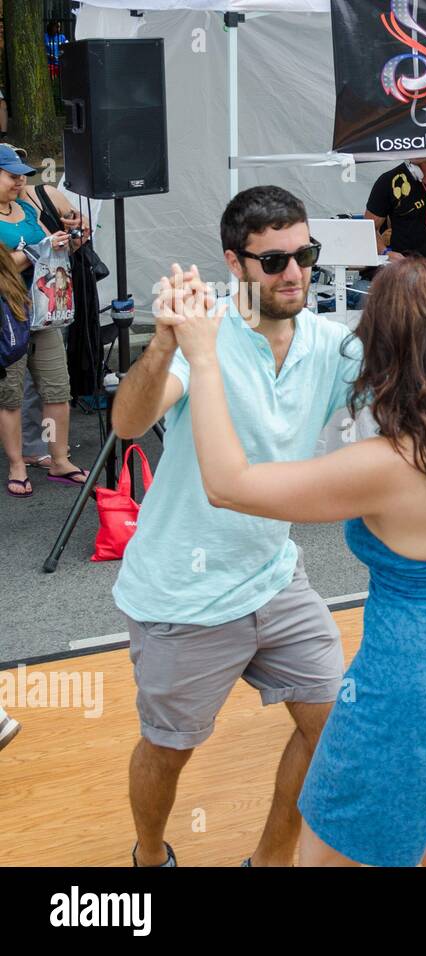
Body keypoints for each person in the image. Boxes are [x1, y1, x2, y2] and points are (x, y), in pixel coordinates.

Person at [159, 249, 426, 867]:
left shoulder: (386, 466)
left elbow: (228, 484)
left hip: (410, 689)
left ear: (382, 347)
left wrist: (201, 355)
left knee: (324, 858)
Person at [111, 186, 357, 868]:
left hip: (275, 578)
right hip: (183, 595)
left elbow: (410, 385)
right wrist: (163, 345)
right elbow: (129, 422)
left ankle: (271, 860)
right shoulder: (204, 336)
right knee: (170, 747)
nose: (295, 272)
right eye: (274, 260)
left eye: (304, 254)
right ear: (235, 262)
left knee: (332, 727)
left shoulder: (329, 342)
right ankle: (151, 854)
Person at [0, 144, 89, 499]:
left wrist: (72, 239)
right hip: (8, 316)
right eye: (11, 175)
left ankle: (58, 458)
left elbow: (53, 256)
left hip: (43, 313)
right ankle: (18, 464)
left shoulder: (25, 208)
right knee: (10, 399)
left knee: (56, 391)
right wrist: (42, 248)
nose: (20, 182)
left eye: (22, 175)